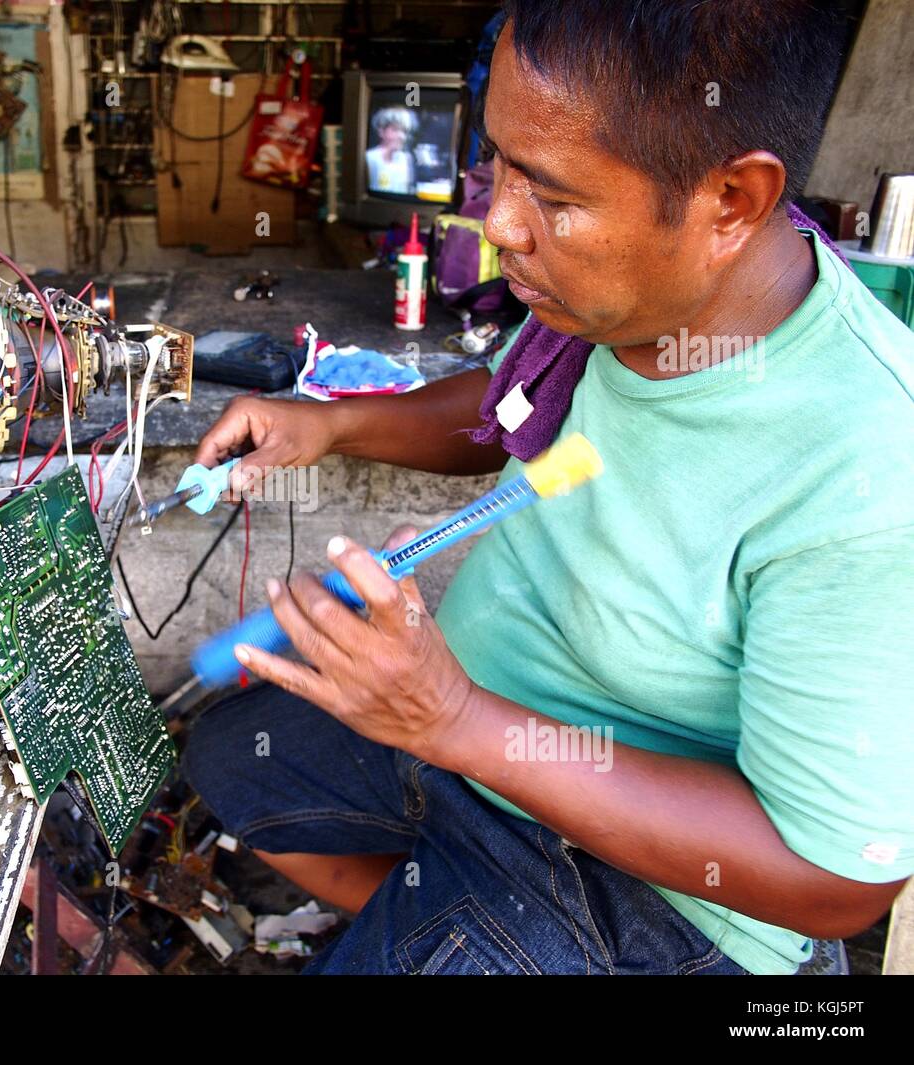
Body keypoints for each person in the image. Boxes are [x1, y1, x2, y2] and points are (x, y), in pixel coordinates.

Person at [183, 0, 914, 975]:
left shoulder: (867, 472)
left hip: (657, 882)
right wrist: (332, 422)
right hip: (473, 726)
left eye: (551, 193)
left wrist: (455, 723)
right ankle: (425, 915)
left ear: (730, 201)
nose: (498, 222)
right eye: (501, 165)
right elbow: (510, 402)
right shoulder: (625, 292)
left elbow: (830, 883)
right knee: (227, 759)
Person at [365, 106, 417, 195]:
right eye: (395, 129)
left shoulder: (406, 159)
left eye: (404, 131)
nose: (402, 136)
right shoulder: (370, 158)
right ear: (381, 131)